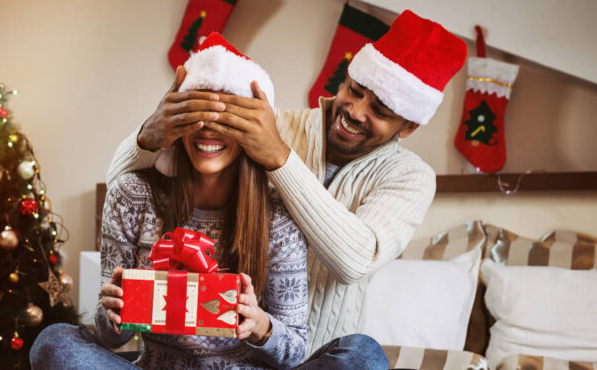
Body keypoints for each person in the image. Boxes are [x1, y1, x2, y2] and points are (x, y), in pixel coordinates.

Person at [106, 9, 468, 360]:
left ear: (408, 127)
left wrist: (279, 157)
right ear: (344, 80)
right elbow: (121, 189)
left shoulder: (410, 177)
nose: (357, 111)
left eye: (381, 110)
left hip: (317, 355)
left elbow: (355, 261)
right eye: (355, 91)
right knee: (63, 340)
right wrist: (148, 137)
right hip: (241, 352)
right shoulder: (273, 121)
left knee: (363, 354)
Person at [31, 33, 386, 369]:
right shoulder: (132, 196)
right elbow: (111, 340)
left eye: (227, 119)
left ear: (250, 132)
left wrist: (260, 325)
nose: (208, 129)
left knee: (364, 355)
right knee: (55, 342)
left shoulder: (276, 216)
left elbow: (294, 352)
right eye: (196, 114)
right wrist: (112, 315)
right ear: (177, 121)